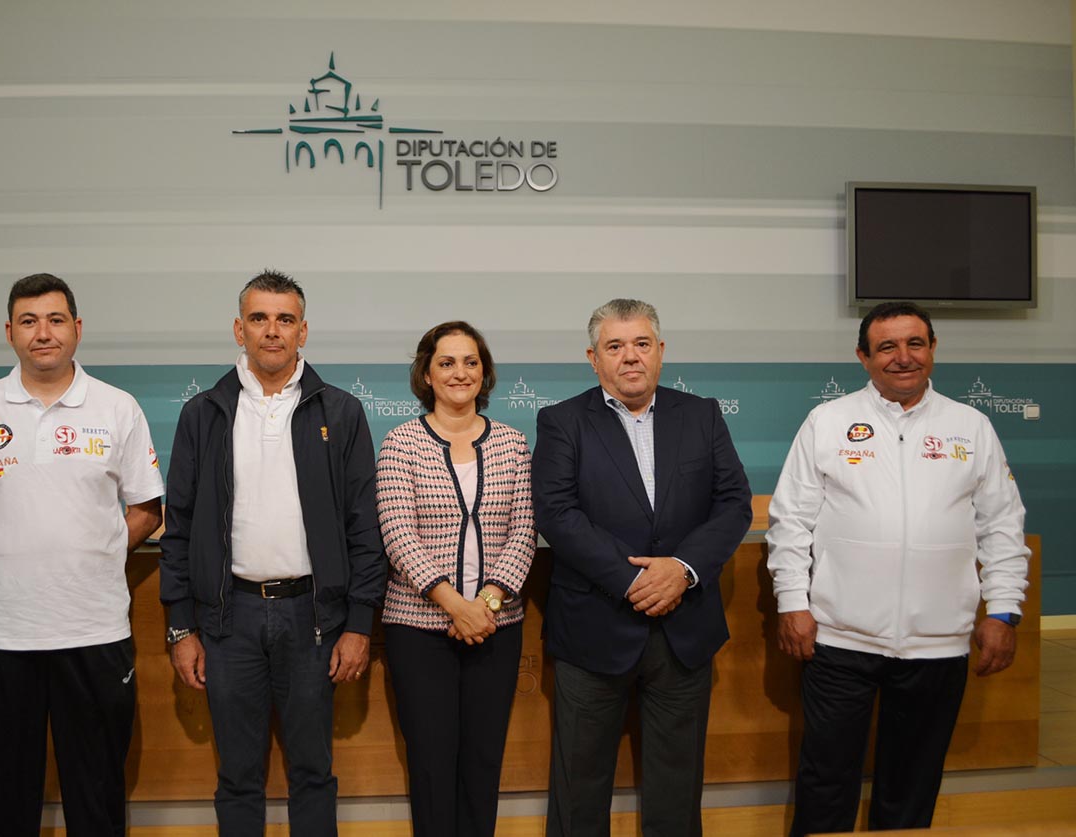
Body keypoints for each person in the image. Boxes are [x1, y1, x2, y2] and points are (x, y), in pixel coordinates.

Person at [766, 300, 1030, 836]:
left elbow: (1002, 526)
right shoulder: (829, 421)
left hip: (938, 646)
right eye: (887, 346)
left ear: (932, 350)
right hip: (840, 641)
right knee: (825, 782)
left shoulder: (971, 426)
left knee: (911, 785)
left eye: (915, 343)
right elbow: (790, 522)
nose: (903, 357)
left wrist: (1004, 610)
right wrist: (793, 602)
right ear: (863, 356)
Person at [0, 273, 164, 837]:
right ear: (10, 333)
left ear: (77, 329)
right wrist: (0, 550)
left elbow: (147, 510)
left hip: (94, 630)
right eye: (29, 322)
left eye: (54, 320)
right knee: (5, 799)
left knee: (97, 796)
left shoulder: (117, 407)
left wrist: (94, 553)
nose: (42, 333)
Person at [159, 270, 385, 836]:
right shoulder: (203, 413)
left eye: (285, 319)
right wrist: (180, 627)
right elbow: (178, 528)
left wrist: (359, 624)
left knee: (313, 772)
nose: (272, 331)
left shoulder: (341, 411)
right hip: (227, 619)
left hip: (313, 617)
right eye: (259, 318)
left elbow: (365, 527)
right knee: (237, 776)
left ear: (303, 330)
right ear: (239, 329)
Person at [533, 298, 752, 837]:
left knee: (677, 792)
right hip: (594, 631)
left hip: (684, 631)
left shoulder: (701, 414)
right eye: (615, 346)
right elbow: (558, 515)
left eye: (641, 344)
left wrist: (682, 568)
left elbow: (734, 504)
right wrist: (635, 581)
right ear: (593, 358)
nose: (630, 357)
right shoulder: (562, 421)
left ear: (660, 352)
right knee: (579, 790)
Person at [375, 321, 536, 837]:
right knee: (430, 763)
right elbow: (398, 535)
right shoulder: (400, 443)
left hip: (497, 627)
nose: (459, 372)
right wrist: (455, 606)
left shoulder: (513, 443)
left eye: (470, 362)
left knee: (483, 762)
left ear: (484, 372)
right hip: (418, 629)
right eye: (446, 362)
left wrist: (484, 605)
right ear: (427, 372)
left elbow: (525, 532)